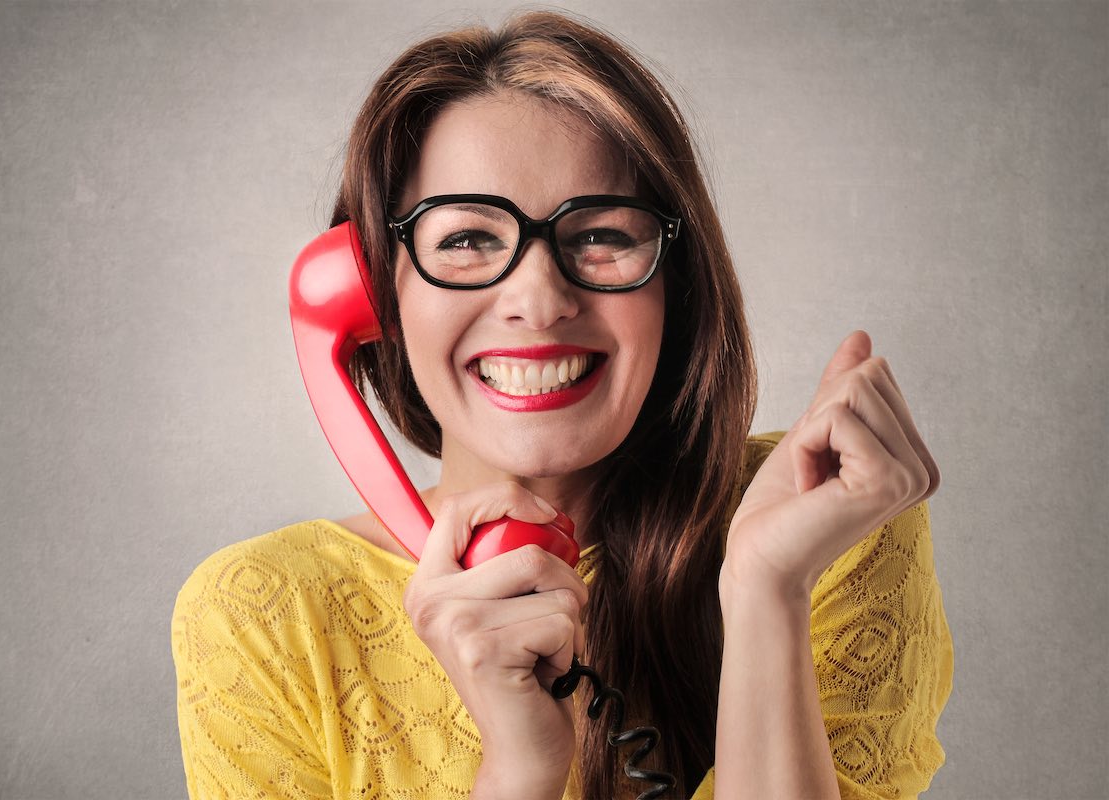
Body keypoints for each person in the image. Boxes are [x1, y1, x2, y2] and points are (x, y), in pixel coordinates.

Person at [171, 10, 952, 800]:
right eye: (466, 239)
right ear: (370, 293)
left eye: (600, 235)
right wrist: (519, 772)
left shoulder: (825, 512)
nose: (539, 302)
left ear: (673, 285)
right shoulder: (264, 614)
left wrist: (765, 590)